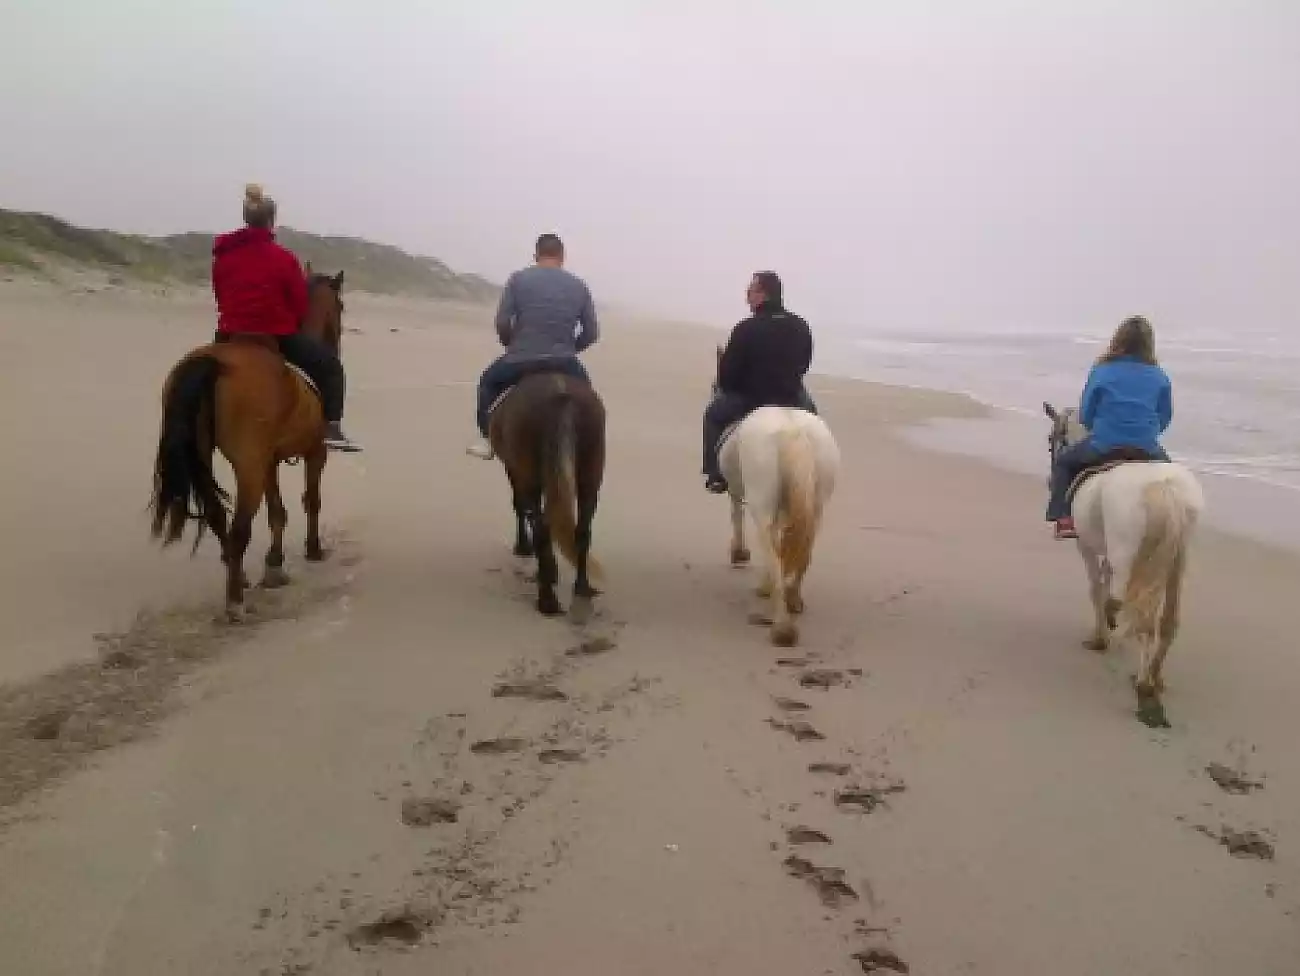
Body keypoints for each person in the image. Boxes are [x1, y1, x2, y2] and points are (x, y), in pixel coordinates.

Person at [212, 184, 360, 452]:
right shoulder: (284, 259)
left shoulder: (223, 255)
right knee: (331, 368)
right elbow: (299, 303)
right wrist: (287, 321)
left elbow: (220, 295)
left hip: (229, 332)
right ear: (271, 221)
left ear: (246, 219)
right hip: (274, 334)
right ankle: (332, 428)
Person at [466, 233, 599, 459]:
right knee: (589, 400)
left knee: (488, 384)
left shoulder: (518, 279)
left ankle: (487, 440)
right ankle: (586, 451)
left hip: (521, 357)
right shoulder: (579, 286)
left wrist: (512, 345)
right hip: (564, 361)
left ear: (536, 254)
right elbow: (592, 333)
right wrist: (568, 349)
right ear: (562, 257)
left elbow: (502, 322)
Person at [1047, 315, 1172, 539]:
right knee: (1172, 482)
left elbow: (1085, 415)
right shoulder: (1160, 376)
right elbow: (1165, 418)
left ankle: (1064, 519)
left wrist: (1107, 427)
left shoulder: (1102, 371)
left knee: (1064, 463)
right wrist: (1142, 432)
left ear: (1119, 339)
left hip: (1104, 444)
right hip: (1146, 448)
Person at [701, 271, 817, 493]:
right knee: (814, 419)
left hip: (752, 399)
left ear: (763, 294)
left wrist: (730, 383)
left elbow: (727, 377)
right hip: (792, 397)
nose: (747, 295)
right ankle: (813, 471)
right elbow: (804, 364)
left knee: (713, 416)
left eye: (751, 290)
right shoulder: (801, 326)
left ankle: (714, 473)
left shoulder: (746, 328)